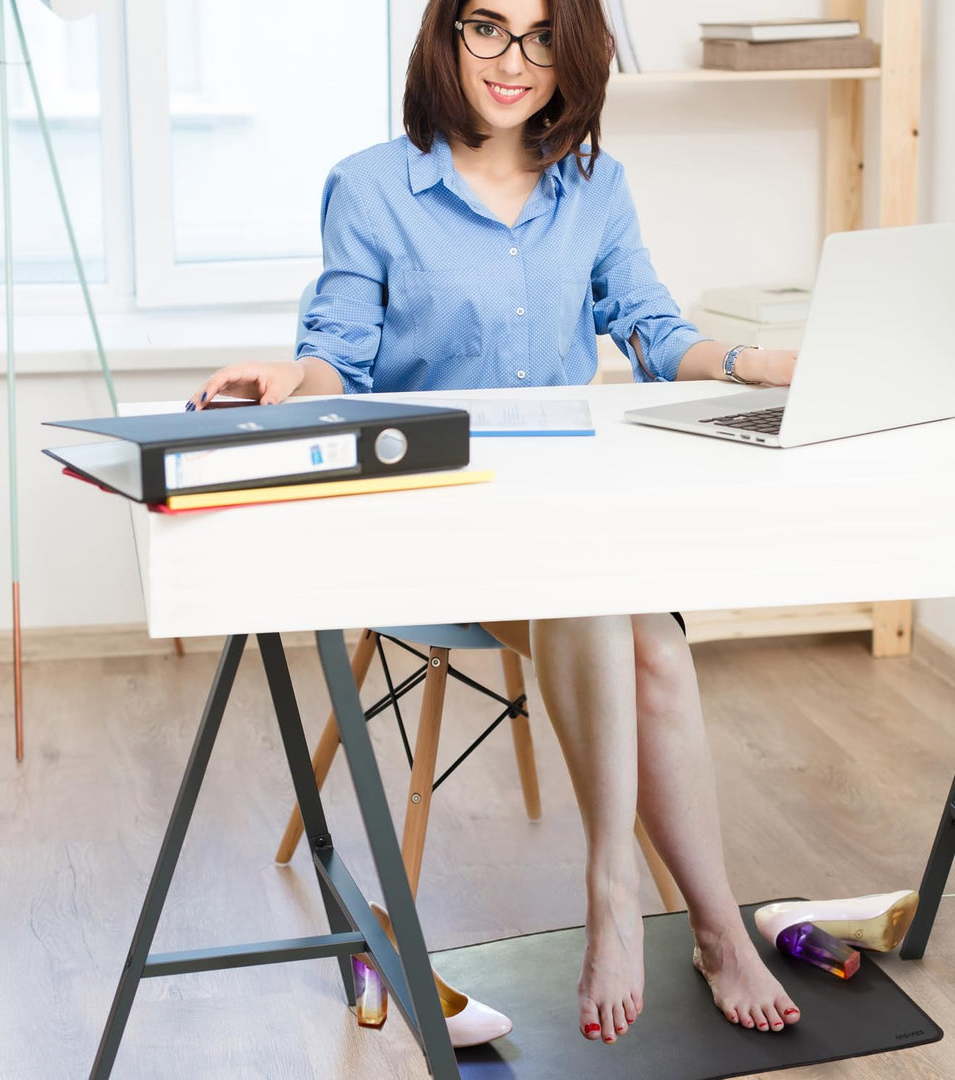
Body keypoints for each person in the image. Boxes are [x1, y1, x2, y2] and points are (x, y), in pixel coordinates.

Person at [190, 0, 802, 1046]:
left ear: (576, 53)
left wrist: (759, 364)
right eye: (488, 28)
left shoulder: (595, 188)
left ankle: (693, 918)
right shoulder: (373, 186)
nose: (513, 60)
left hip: (564, 517)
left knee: (646, 637)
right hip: (431, 523)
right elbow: (343, 355)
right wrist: (289, 376)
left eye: (541, 35)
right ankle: (641, 900)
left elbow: (653, 331)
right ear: (447, 37)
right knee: (612, 604)